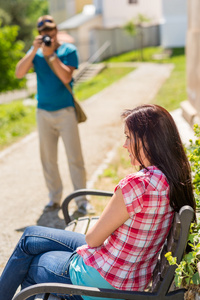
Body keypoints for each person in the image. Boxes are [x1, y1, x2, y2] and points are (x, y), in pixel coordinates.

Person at [0, 104, 196, 300]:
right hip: (132, 275)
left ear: (148, 140)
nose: (124, 145)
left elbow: (93, 239)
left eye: (128, 137)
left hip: (104, 281)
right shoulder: (172, 177)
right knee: (30, 236)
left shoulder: (138, 184)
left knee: (34, 262)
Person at [15, 15, 93, 215]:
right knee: (48, 159)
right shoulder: (37, 53)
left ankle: (82, 201)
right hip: (43, 113)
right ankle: (54, 199)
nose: (46, 34)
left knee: (74, 158)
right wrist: (34, 50)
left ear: (56, 30)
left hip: (66, 112)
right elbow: (19, 73)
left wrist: (51, 56)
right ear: (39, 33)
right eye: (42, 32)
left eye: (49, 30)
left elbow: (66, 76)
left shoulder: (68, 50)